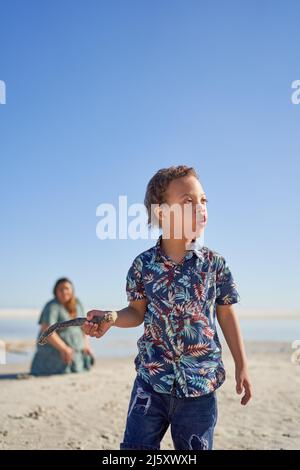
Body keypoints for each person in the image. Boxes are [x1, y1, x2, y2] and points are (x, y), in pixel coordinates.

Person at [83, 165, 253, 450]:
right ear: (162, 213)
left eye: (203, 200)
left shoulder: (215, 264)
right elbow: (136, 313)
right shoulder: (142, 266)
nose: (200, 207)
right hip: (151, 382)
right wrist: (111, 318)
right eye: (188, 201)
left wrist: (242, 363)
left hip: (200, 386)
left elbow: (225, 312)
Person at [31, 277, 94, 376]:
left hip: (76, 351)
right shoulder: (52, 306)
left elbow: (85, 326)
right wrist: (64, 348)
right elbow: (47, 330)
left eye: (67, 288)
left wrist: (86, 345)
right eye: (61, 289)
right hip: (55, 351)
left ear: (72, 290)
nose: (64, 291)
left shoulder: (78, 304)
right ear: (55, 291)